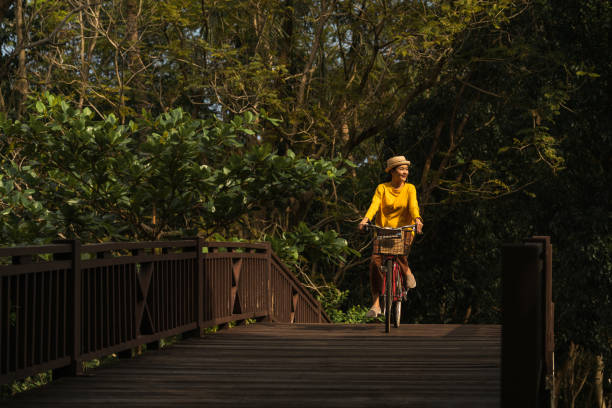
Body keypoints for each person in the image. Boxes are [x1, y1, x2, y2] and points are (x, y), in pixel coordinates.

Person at [358, 155, 423, 318]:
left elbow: (413, 205)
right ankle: (376, 304)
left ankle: (406, 271)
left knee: (400, 251)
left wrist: (417, 219)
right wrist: (365, 219)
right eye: (401, 169)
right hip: (384, 231)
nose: (405, 172)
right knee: (374, 262)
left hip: (404, 230)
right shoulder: (382, 188)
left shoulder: (410, 189)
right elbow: (374, 204)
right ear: (392, 171)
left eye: (406, 169)